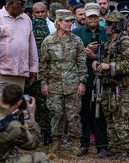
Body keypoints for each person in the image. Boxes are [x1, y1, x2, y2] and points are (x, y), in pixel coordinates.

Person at [38, 9, 87, 154]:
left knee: (73, 115)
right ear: (58, 22)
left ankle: (75, 143)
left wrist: (82, 82)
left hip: (73, 84)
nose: (70, 23)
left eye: (71, 21)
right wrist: (43, 83)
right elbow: (43, 64)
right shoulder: (48, 41)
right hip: (54, 85)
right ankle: (56, 142)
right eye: (67, 21)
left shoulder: (76, 40)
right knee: (56, 113)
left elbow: (81, 63)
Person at [92, 12, 129, 159]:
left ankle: (127, 150)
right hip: (106, 87)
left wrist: (109, 66)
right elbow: (103, 58)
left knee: (120, 120)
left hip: (120, 88)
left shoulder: (125, 42)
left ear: (117, 25)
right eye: (107, 23)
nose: (107, 27)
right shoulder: (108, 41)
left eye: (110, 24)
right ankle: (116, 147)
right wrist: (96, 63)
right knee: (110, 120)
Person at [0, 0, 38, 104]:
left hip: (20, 74)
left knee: (15, 108)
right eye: (21, 3)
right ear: (10, 3)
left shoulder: (26, 19)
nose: (24, 7)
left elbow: (31, 45)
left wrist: (33, 68)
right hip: (0, 75)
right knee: (0, 108)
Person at [72, 3, 109, 157]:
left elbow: (111, 53)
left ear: (99, 17)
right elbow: (70, 55)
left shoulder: (106, 32)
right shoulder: (77, 32)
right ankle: (84, 144)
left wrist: (97, 57)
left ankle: (102, 146)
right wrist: (84, 52)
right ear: (85, 17)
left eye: (95, 16)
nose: (93, 19)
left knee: (100, 113)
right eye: (90, 16)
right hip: (83, 78)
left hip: (102, 79)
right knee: (84, 113)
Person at [0, 84, 48, 163]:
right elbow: (33, 144)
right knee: (41, 157)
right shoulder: (13, 126)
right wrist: (32, 115)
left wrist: (12, 115)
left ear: (0, 96)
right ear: (19, 102)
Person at [29, 2, 52, 146]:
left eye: (42, 12)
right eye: (37, 13)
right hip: (30, 71)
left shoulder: (53, 26)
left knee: (44, 104)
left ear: (47, 12)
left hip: (45, 72)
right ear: (32, 13)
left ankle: (47, 133)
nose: (40, 15)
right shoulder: (29, 25)